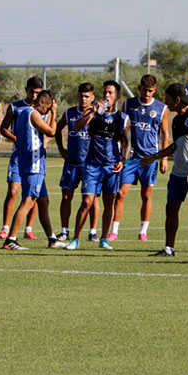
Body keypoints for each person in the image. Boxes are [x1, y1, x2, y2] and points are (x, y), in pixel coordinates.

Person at [141, 83, 188, 257]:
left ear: (177, 100)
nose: (166, 103)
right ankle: (168, 248)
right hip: (177, 174)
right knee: (171, 208)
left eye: (167, 100)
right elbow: (176, 146)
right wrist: (156, 156)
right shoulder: (177, 120)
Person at [65, 81, 130, 251]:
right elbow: (77, 126)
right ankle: (75, 239)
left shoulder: (122, 118)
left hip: (111, 166)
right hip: (92, 165)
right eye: (105, 92)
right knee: (87, 201)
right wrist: (92, 111)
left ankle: (103, 239)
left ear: (116, 97)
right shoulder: (93, 113)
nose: (106, 96)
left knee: (109, 202)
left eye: (110, 93)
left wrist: (123, 161)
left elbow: (127, 142)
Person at [109, 74, 169, 242]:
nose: (147, 94)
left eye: (150, 91)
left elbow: (165, 134)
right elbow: (119, 127)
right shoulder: (128, 104)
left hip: (149, 158)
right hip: (130, 157)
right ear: (139, 88)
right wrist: (120, 151)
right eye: (144, 90)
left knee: (147, 195)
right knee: (121, 193)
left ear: (154, 90)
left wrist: (163, 158)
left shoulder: (161, 108)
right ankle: (114, 231)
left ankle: (143, 231)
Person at [3, 90, 61, 250]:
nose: (47, 112)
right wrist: (54, 113)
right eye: (47, 108)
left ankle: (52, 239)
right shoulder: (32, 113)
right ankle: (11, 240)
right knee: (28, 200)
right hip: (33, 165)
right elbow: (51, 131)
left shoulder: (23, 112)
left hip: (33, 164)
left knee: (43, 201)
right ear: (42, 102)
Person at [0, 76, 43, 240]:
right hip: (18, 157)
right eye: (32, 92)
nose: (34, 96)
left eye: (38, 93)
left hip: (35, 159)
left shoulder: (41, 109)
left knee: (32, 194)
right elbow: (3, 129)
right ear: (26, 90)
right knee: (13, 191)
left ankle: (28, 229)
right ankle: (5, 228)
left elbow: (49, 131)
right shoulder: (16, 107)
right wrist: (18, 139)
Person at [55, 83, 100, 242]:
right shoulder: (70, 113)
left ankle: (93, 231)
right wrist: (60, 148)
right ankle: (64, 231)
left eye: (87, 96)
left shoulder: (97, 114)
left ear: (92, 97)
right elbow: (57, 128)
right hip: (72, 163)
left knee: (92, 199)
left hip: (91, 165)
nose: (83, 99)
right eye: (81, 95)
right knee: (66, 197)